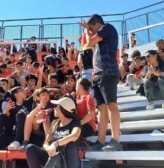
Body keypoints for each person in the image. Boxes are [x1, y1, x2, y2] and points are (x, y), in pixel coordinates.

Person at [80, 14, 122, 151]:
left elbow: (89, 42)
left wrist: (88, 31)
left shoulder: (107, 28)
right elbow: (87, 45)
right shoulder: (99, 38)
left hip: (107, 72)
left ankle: (115, 140)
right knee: (101, 108)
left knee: (111, 105)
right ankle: (101, 141)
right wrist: (88, 30)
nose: (92, 32)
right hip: (98, 75)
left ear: (98, 23)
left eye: (92, 28)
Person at [25, 97, 81, 168]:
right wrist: (49, 149)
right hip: (53, 157)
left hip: (67, 159)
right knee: (30, 148)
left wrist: (56, 144)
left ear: (62, 109)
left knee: (71, 145)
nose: (54, 108)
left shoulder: (75, 122)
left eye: (56, 106)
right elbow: (46, 142)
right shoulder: (55, 123)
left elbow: (75, 135)